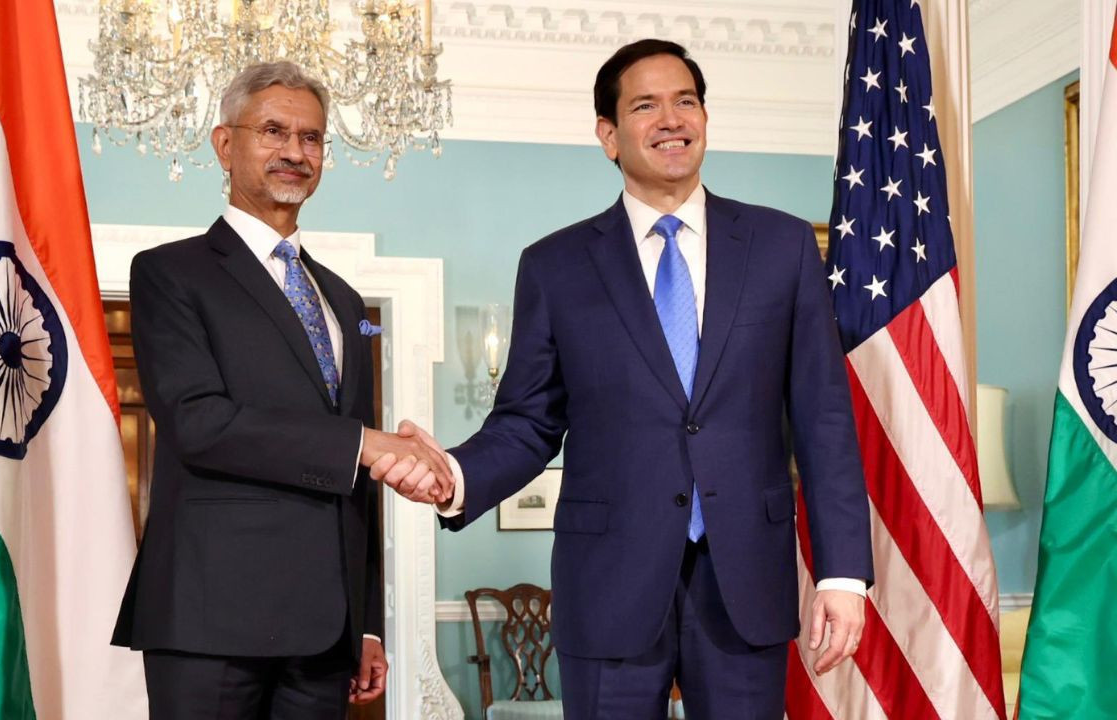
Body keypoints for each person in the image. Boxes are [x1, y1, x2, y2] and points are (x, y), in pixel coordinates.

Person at [390, 39, 874, 719]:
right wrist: (455, 476)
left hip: (748, 583)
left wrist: (844, 572)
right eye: (646, 106)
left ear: (704, 118)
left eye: (686, 101)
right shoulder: (555, 266)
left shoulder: (783, 247)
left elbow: (824, 419)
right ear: (609, 135)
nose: (671, 119)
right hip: (607, 587)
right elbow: (528, 422)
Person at [110, 61, 452, 719]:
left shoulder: (343, 299)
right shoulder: (169, 274)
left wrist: (367, 624)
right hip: (209, 620)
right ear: (224, 144)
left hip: (325, 634)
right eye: (273, 131)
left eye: (312, 137)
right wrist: (364, 443)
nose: (295, 151)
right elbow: (198, 423)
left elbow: (358, 484)